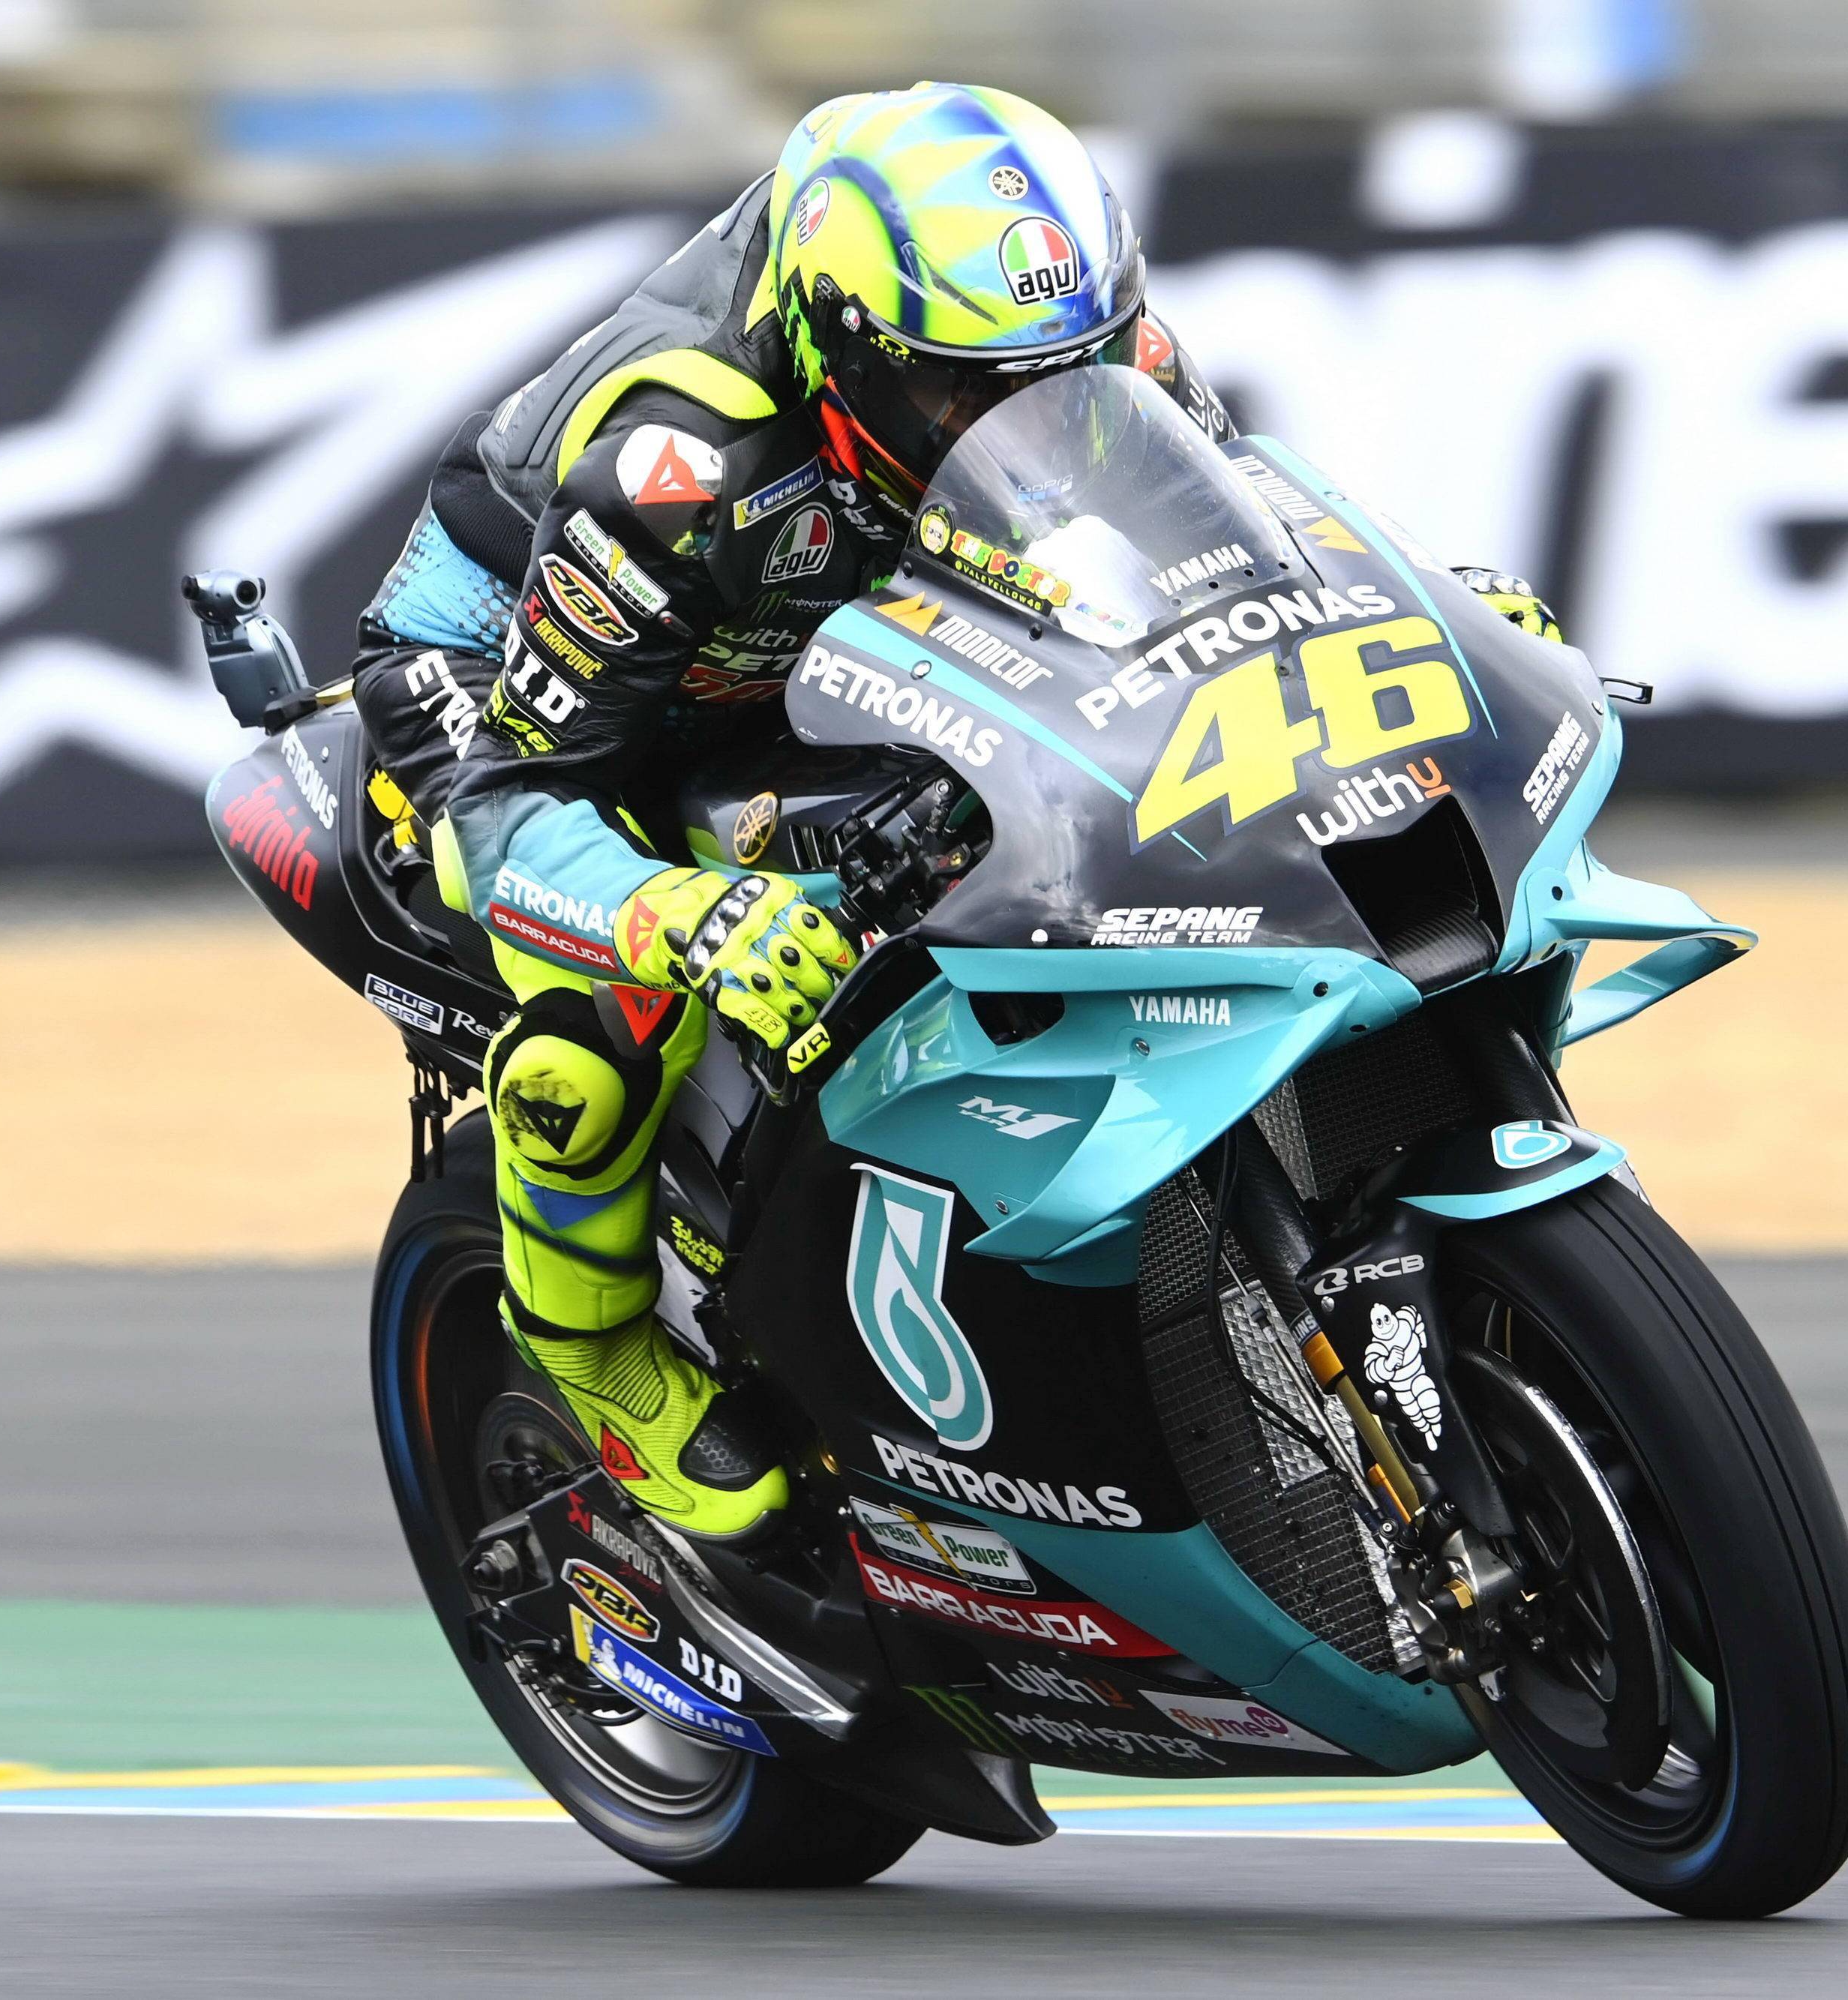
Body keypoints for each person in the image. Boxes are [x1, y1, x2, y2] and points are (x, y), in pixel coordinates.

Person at [350, 82, 1564, 1540]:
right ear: (840, 355)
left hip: (804, 636)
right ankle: (588, 1348)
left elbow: (1247, 550)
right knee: (617, 1017)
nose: (1032, 417)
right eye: (963, 396)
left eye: (1070, 371)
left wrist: (1424, 605)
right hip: (520, 693)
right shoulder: (680, 466)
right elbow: (507, 808)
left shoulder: (1094, 355)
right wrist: (688, 913)